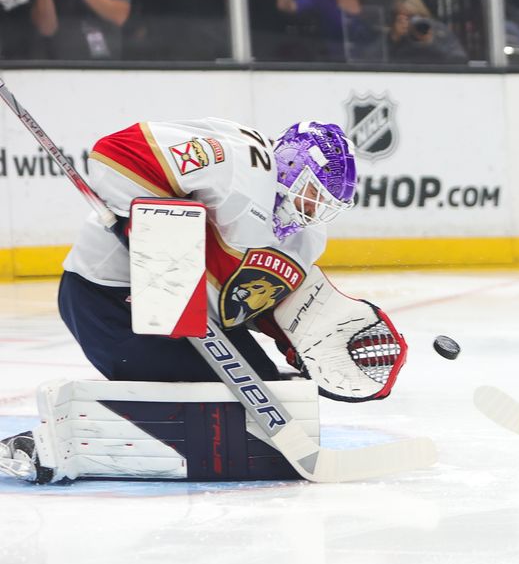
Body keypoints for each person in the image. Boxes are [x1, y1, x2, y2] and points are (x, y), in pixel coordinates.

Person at [0, 119, 408, 483]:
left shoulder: (305, 236)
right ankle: (56, 439)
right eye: (311, 195)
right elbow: (117, 153)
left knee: (267, 399)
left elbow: (252, 299)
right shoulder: (240, 162)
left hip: (190, 313)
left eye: (325, 205)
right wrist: (156, 230)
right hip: (106, 297)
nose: (312, 211)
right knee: (222, 408)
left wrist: (303, 341)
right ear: (289, 167)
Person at [387, 0, 468, 65]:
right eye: (401, 18)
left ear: (421, 13)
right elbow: (377, 61)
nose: (406, 22)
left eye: (411, 16)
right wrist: (393, 38)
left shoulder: (438, 30)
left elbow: (460, 60)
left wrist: (431, 43)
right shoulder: (391, 33)